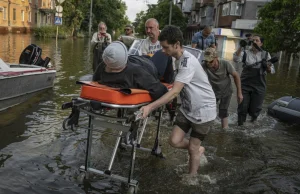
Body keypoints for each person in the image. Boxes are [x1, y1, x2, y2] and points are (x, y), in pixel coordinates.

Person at [140, 25, 216, 175]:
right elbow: (176, 87)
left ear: (176, 45)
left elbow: (175, 92)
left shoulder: (187, 63)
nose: (162, 50)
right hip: (188, 108)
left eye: (165, 47)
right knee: (174, 141)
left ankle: (192, 179)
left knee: (192, 149)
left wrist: (150, 107)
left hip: (203, 111)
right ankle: (198, 148)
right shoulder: (177, 58)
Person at [93, 41, 168, 100]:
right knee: (164, 52)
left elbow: (94, 81)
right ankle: (170, 80)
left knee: (146, 56)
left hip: (139, 60)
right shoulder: (135, 71)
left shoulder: (101, 67)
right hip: (151, 66)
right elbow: (160, 90)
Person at [233, 35, 275, 126]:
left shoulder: (266, 54)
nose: (254, 42)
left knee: (255, 109)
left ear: (261, 43)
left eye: (257, 40)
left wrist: (267, 66)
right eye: (253, 40)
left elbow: (272, 71)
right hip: (245, 84)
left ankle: (252, 125)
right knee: (242, 107)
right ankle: (240, 126)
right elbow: (236, 59)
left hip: (259, 85)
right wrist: (241, 46)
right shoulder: (245, 53)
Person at [202, 47, 243, 129]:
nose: (208, 64)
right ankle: (208, 128)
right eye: (206, 61)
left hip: (226, 91)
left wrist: (239, 93)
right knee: (208, 109)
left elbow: (236, 76)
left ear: (216, 58)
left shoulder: (225, 64)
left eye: (210, 61)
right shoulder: (204, 65)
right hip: (213, 92)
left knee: (223, 111)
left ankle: (224, 130)